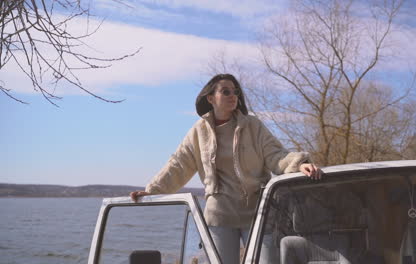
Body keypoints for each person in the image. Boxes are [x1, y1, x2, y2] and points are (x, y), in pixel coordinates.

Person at [130, 73, 322, 264]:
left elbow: (276, 155)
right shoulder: (199, 131)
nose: (233, 95)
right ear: (211, 98)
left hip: (258, 212)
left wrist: (298, 164)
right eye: (226, 91)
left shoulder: (253, 125)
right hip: (220, 215)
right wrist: (152, 191)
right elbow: (178, 165)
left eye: (235, 92)